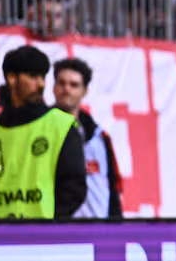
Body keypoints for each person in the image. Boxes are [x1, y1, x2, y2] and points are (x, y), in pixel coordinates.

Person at [0, 44, 86, 219]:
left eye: (43, 77)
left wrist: (49, 225)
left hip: (43, 233)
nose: (41, 84)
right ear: (11, 78)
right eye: (33, 76)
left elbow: (74, 188)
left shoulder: (61, 125)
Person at [52, 57, 123, 218]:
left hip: (98, 228)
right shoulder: (41, 130)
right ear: (53, 88)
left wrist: (117, 225)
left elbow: (112, 186)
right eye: (61, 83)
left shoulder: (99, 136)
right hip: (58, 227)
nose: (67, 89)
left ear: (84, 91)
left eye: (74, 85)